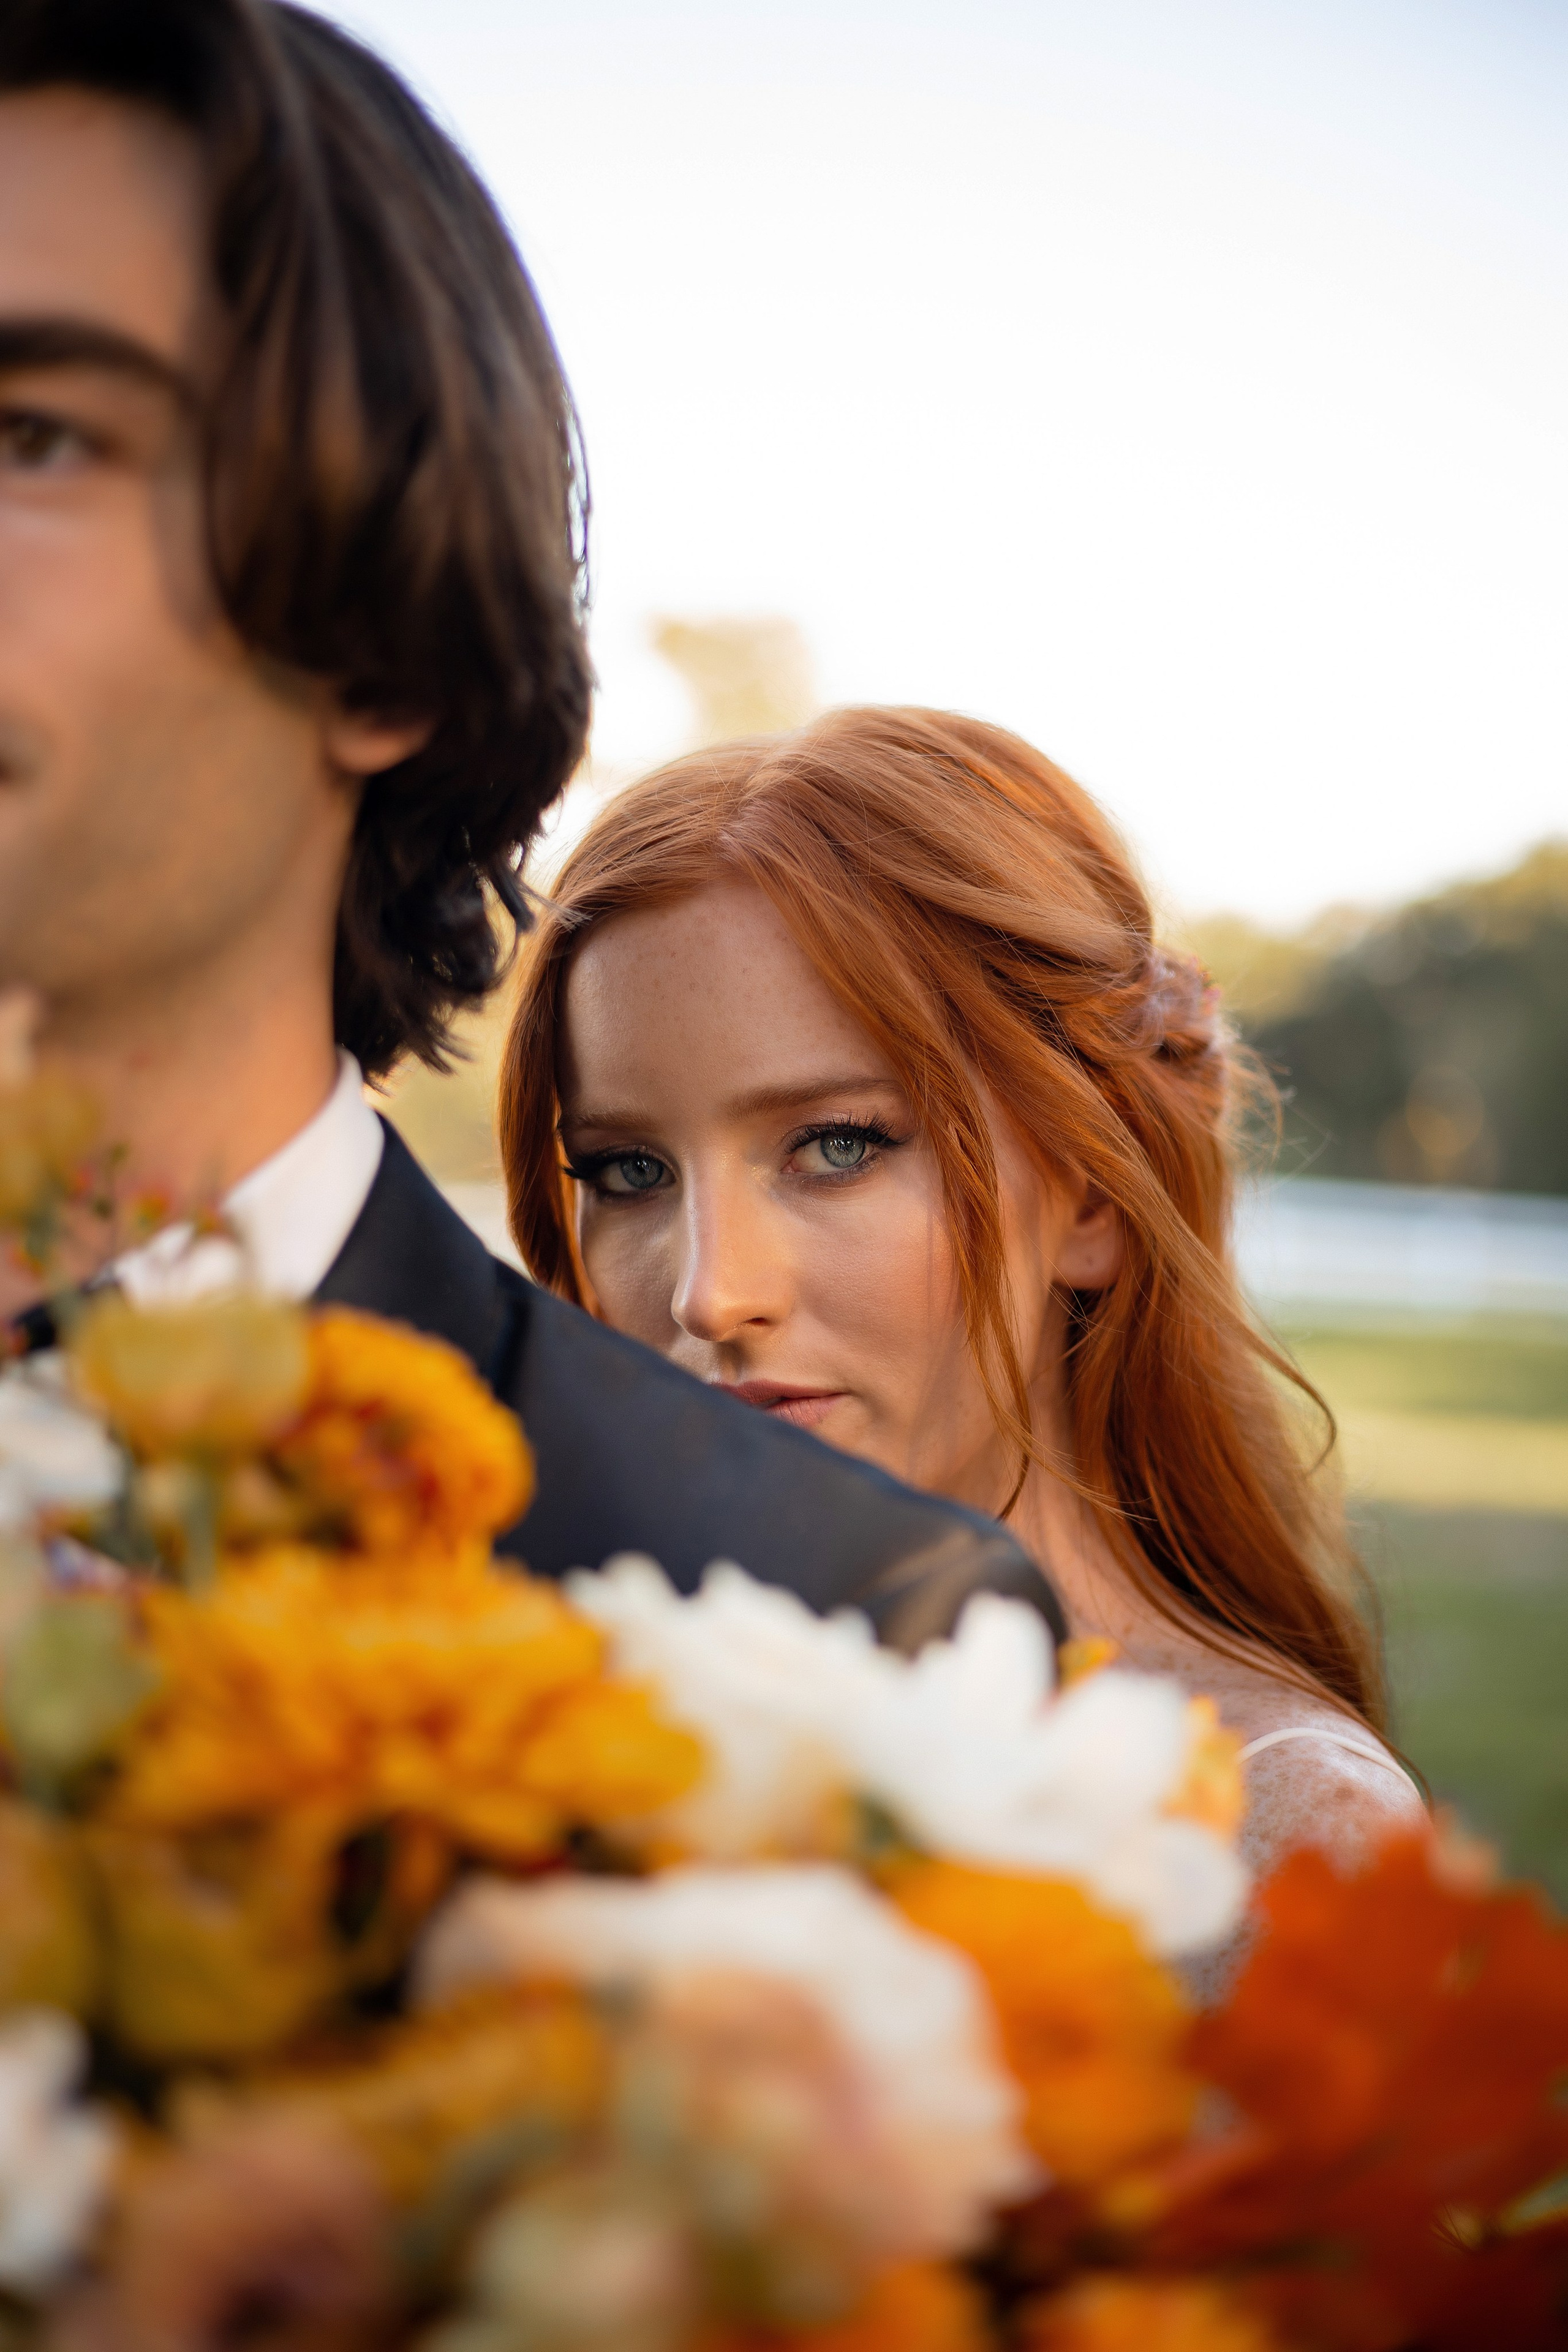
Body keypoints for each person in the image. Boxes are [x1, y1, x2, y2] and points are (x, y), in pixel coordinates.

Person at [0, 0, 1055, 1643]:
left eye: (34, 438)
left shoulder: (831, 1630)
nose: (720, 1287)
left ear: (377, 639)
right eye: (628, 1170)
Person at [499, 707, 1427, 1871]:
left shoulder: (1276, 1837)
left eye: (836, 1146)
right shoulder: (520, 1730)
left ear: (1091, 1196)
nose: (706, 1294)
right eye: (629, 1172)